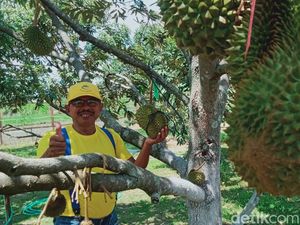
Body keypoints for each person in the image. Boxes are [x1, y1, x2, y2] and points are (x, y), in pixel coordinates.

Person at [37, 81, 168, 225]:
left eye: (92, 102)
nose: (86, 107)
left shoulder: (111, 137)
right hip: (71, 220)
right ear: (68, 108)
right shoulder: (53, 139)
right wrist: (51, 154)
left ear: (100, 108)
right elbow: (38, 176)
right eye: (79, 102)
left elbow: (136, 170)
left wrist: (147, 144)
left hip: (109, 217)